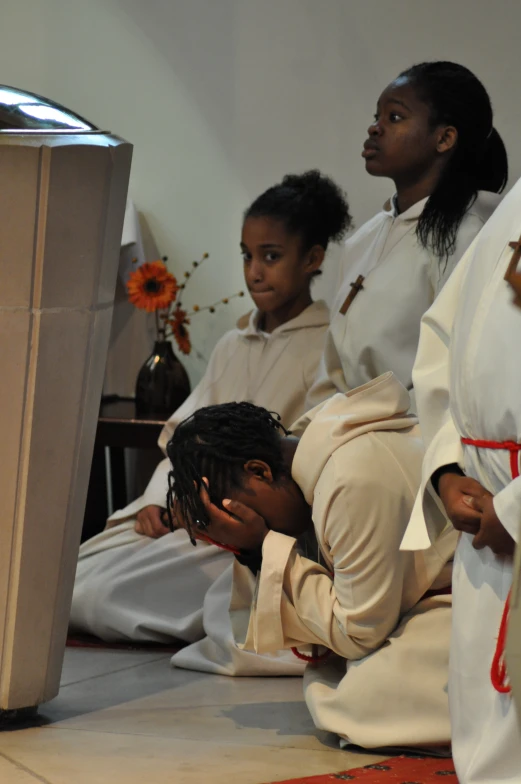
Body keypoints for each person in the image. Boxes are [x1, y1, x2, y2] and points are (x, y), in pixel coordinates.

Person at [69, 171, 351, 675]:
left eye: (271, 256)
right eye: (246, 255)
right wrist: (161, 502)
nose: (255, 272)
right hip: (186, 511)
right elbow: (183, 435)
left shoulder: (327, 342)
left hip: (243, 525)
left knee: (94, 595)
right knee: (66, 578)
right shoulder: (231, 345)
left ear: (312, 259)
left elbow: (309, 453)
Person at [166, 376, 456, 750]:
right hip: (416, 602)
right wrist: (251, 550)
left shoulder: (349, 479)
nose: (244, 526)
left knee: (365, 699)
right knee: (340, 683)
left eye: (235, 513)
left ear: (259, 471)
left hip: (476, 594)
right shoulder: (313, 454)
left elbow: (360, 633)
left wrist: (259, 547)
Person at [402, 177, 521, 782]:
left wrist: (518, 508)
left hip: (510, 496)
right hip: (480, 487)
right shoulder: (517, 204)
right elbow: (443, 338)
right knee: (482, 719)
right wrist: (447, 467)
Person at [307, 60, 506, 411]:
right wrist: (310, 431)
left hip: (412, 433)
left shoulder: (471, 233)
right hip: (345, 429)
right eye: (376, 116)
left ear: (444, 138)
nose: (374, 128)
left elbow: (454, 375)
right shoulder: (363, 241)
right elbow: (331, 377)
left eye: (394, 118)